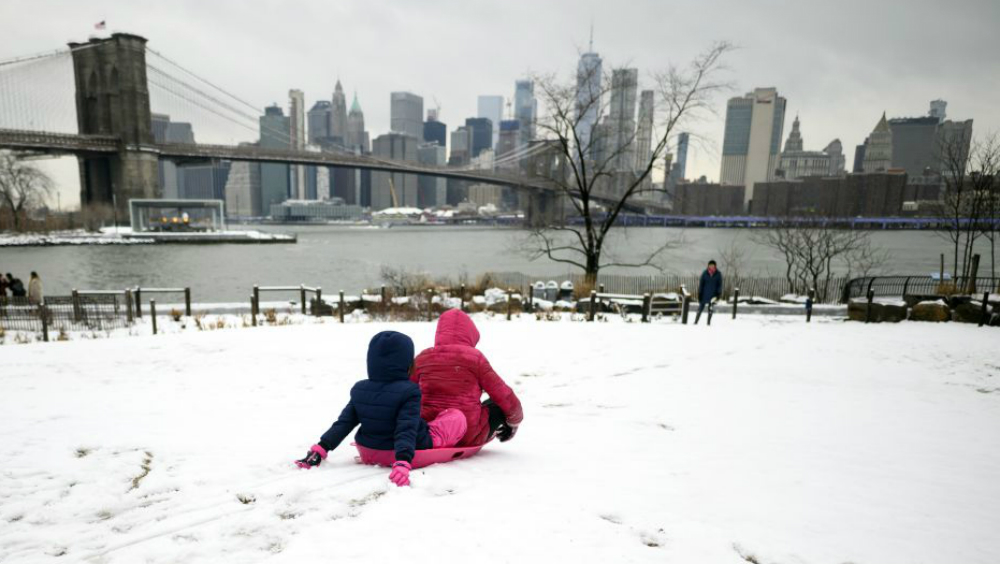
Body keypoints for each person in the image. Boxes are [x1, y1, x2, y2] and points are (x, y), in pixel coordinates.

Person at [294, 331, 467, 487]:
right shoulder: (409, 391)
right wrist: (402, 461)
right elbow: (405, 428)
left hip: (368, 450)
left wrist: (320, 448)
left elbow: (344, 423)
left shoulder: (360, 388)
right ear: (407, 363)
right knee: (455, 416)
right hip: (399, 453)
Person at [412, 309, 523, 446]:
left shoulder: (423, 357)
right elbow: (503, 394)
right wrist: (514, 421)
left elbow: (407, 391)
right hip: (468, 435)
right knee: (498, 404)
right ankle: (503, 431)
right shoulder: (475, 358)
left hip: (429, 429)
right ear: (470, 334)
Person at [695, 260, 723, 325]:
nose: (711, 266)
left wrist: (718, 293)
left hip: (713, 295)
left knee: (710, 309)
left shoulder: (718, 274)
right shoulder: (705, 273)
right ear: (708, 266)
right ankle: (696, 321)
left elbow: (719, 285)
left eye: (712, 265)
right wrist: (699, 293)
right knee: (700, 308)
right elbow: (701, 284)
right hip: (704, 294)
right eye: (710, 265)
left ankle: (708, 323)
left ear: (715, 266)